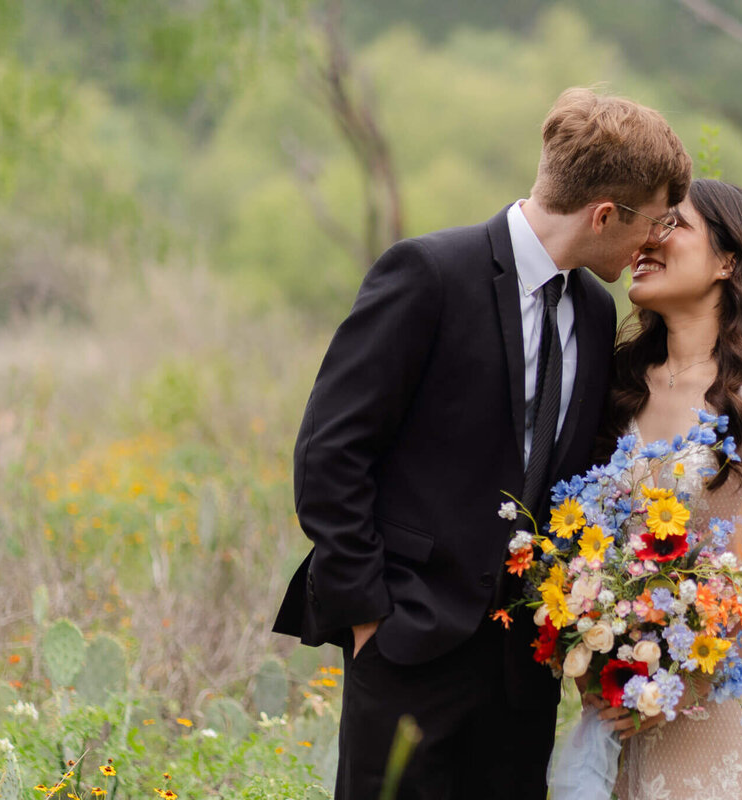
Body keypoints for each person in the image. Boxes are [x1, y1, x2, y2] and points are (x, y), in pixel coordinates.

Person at [272, 87, 692, 800]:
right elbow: (329, 453)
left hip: (524, 667)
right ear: (603, 215)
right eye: (654, 221)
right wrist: (371, 614)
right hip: (407, 642)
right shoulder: (429, 274)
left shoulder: (593, 310)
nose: (655, 240)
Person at [588, 179, 742, 799]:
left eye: (674, 226)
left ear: (728, 261)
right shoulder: (620, 384)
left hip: (717, 697)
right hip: (619, 692)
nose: (648, 238)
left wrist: (683, 685)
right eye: (649, 225)